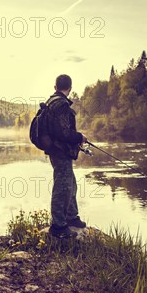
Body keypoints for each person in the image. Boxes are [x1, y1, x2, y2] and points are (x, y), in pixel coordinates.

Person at [45, 74, 87, 239]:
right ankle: (58, 226)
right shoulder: (61, 105)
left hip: (56, 150)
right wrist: (80, 137)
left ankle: (71, 216)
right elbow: (64, 133)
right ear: (70, 88)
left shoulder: (51, 102)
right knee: (62, 187)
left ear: (55, 87)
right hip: (60, 151)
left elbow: (58, 131)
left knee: (70, 183)